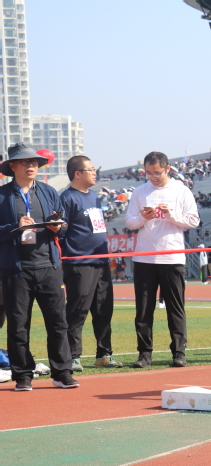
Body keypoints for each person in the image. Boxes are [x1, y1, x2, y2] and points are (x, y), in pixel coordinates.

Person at [0, 143, 78, 391]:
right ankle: (23, 375)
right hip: (15, 270)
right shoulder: (2, 195)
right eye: (25, 162)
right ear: (13, 166)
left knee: (58, 322)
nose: (31, 165)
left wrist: (57, 226)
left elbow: (63, 224)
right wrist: (15, 227)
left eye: (34, 162)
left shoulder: (48, 191)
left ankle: (62, 372)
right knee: (18, 325)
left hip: (48, 266)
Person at [125, 151, 200, 368]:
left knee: (175, 308)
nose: (153, 177)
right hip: (144, 258)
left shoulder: (181, 190)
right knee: (143, 310)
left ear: (167, 169)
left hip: (172, 257)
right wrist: (143, 217)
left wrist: (171, 215)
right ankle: (144, 354)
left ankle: (179, 353)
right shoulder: (140, 192)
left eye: (157, 173)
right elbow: (129, 222)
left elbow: (194, 220)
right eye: (148, 173)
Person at [60, 155, 122, 372]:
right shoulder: (67, 198)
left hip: (101, 261)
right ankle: (72, 356)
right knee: (78, 310)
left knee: (104, 309)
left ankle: (104, 354)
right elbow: (60, 232)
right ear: (78, 174)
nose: (95, 174)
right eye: (91, 170)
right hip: (79, 263)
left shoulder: (94, 196)